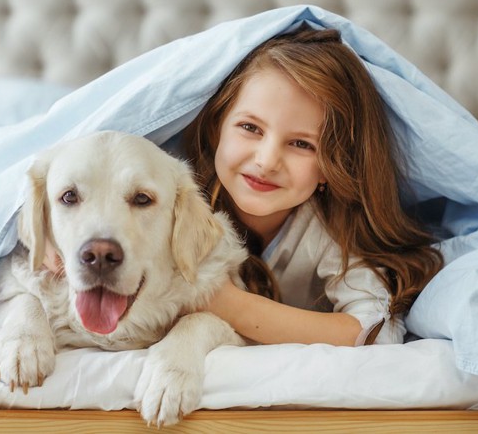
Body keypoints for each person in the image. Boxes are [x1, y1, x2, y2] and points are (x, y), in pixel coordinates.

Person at [44, 25, 444, 347]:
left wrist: (224, 303)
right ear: (217, 126)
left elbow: (375, 334)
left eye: (301, 143)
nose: (267, 160)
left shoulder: (332, 229)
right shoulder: (166, 185)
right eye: (250, 128)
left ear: (330, 165)